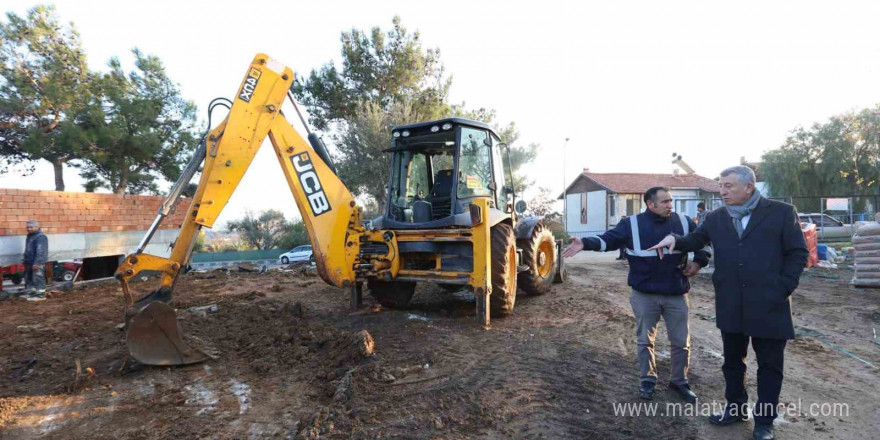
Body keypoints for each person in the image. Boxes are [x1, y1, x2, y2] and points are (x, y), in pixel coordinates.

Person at [649, 166, 808, 440]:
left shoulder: (781, 212)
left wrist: (783, 288)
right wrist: (674, 240)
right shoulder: (716, 217)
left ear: (749, 187)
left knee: (770, 366)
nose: (722, 191)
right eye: (721, 185)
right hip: (731, 302)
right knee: (733, 363)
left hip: (770, 304)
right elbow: (694, 239)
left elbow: (797, 253)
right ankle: (735, 409)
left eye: (728, 186)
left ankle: (764, 422)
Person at [563, 187, 709, 403]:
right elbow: (608, 240)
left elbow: (702, 244)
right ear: (650, 204)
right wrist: (585, 243)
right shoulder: (631, 224)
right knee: (645, 341)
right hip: (644, 295)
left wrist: (698, 262)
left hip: (676, 294)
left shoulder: (685, 222)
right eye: (665, 202)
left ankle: (679, 381)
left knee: (680, 342)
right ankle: (647, 380)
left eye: (671, 201)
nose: (670, 205)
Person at [23, 220, 49, 302]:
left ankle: (40, 295)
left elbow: (41, 251)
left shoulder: (40, 237)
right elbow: (28, 249)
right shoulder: (30, 236)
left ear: (36, 227)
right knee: (29, 278)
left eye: (31, 227)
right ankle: (32, 293)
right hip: (29, 262)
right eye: (28, 227)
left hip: (36, 262)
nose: (29, 229)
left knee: (38, 278)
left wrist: (38, 262)